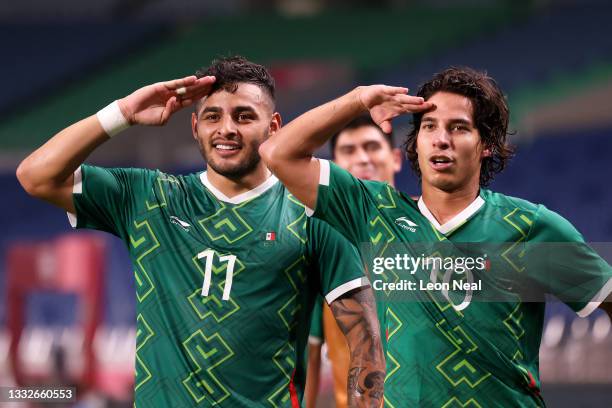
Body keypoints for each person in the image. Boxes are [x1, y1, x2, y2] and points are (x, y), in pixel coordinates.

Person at [16, 56, 385, 407]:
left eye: (244, 116)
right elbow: (35, 176)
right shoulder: (150, 198)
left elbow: (365, 341)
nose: (226, 129)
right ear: (195, 127)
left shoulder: (311, 215)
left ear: (273, 127)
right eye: (212, 116)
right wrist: (123, 113)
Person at [260, 67, 612, 407]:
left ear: (486, 143)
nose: (441, 139)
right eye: (430, 126)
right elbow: (278, 152)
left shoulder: (530, 227)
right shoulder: (373, 213)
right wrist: (358, 100)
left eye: (458, 127)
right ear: (416, 142)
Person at [305, 116, 401, 408]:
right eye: (349, 150)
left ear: (396, 158)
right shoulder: (321, 245)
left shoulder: (430, 233)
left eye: (372, 147)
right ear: (331, 166)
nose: (362, 159)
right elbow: (307, 358)